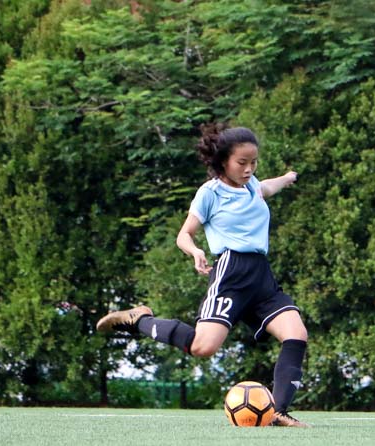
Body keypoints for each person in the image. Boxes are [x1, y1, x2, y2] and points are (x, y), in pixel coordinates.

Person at [97, 123, 309, 427]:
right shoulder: (209, 193)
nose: (249, 169)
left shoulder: (251, 185)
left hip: (261, 277)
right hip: (231, 273)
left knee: (296, 333)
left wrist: (288, 178)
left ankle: (279, 412)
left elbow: (266, 188)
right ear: (223, 160)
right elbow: (184, 234)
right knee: (203, 347)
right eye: (242, 163)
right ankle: (139, 319)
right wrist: (195, 251)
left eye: (254, 163)